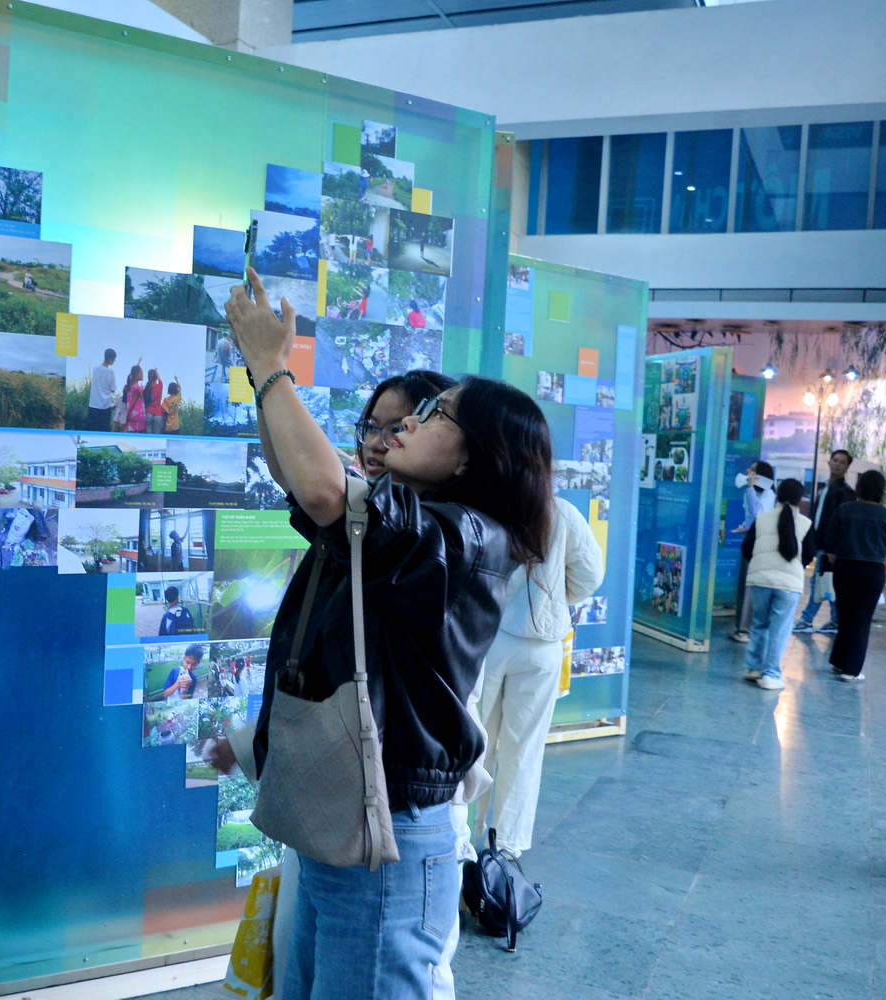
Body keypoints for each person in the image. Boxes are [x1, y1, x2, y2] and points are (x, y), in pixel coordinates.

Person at [207, 269, 553, 1000]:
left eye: (433, 415)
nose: (401, 428)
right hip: (349, 818)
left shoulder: (462, 537)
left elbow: (323, 489)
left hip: (390, 836)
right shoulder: (404, 526)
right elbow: (305, 482)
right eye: (388, 420)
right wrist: (259, 368)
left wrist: (271, 365)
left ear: (473, 455)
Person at [472, 490, 603, 860]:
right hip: (543, 643)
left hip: (488, 637)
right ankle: (506, 847)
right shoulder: (562, 510)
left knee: (475, 740)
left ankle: (466, 835)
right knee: (524, 748)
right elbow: (591, 575)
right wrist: (554, 600)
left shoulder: (488, 502)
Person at [739, 478, 813, 690]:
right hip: (789, 584)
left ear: (778, 496)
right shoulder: (806, 524)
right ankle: (771, 675)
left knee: (759, 624)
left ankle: (753, 667)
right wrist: (795, 567)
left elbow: (746, 548)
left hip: (760, 580)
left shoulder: (761, 519)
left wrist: (760, 564)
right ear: (800, 499)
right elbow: (809, 553)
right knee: (779, 630)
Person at [825, 470, 886, 681]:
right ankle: (851, 670)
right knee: (861, 620)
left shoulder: (844, 510)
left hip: (844, 568)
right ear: (881, 491)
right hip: (872, 571)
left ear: (859, 487)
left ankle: (839, 661)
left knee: (845, 615)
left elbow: (829, 540)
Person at [795, 448, 856, 634]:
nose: (837, 464)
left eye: (842, 462)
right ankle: (835, 620)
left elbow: (843, 523)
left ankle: (807, 619)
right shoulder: (824, 487)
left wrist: (833, 548)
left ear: (847, 468)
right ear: (829, 462)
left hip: (828, 546)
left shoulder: (845, 492)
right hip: (818, 542)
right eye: (835, 460)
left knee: (819, 581)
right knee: (827, 581)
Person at [729, 461, 777, 643]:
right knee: (743, 583)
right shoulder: (752, 492)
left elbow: (758, 513)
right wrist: (745, 526)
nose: (748, 471)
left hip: (758, 544)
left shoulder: (768, 494)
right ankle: (740, 625)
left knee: (750, 585)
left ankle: (746, 629)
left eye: (753, 470)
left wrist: (750, 489)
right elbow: (751, 517)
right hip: (749, 539)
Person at [86, 348, 117, 430]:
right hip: (106, 406)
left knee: (91, 430)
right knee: (103, 430)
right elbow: (113, 389)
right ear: (110, 360)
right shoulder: (110, 372)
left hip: (93, 404)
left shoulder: (95, 369)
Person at [144, 368, 165, 434]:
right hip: (158, 413)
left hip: (148, 412)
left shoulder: (147, 389)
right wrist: (156, 371)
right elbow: (159, 379)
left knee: (148, 434)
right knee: (157, 434)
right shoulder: (160, 386)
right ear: (155, 377)